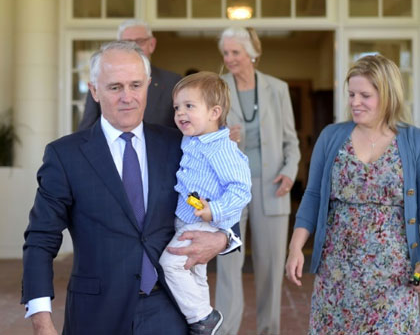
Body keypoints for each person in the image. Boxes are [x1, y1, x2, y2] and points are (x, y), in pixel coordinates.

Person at [21, 42, 239, 335]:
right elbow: (40, 237)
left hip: (168, 309)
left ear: (148, 85)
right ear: (94, 90)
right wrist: (41, 319)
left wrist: (224, 240)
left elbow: (223, 194)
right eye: (115, 87)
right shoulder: (65, 156)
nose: (128, 97)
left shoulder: (181, 146)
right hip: (96, 314)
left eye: (136, 85)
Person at [285, 54, 420, 334]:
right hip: (336, 272)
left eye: (365, 95)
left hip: (393, 274)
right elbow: (312, 197)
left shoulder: (418, 142)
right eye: (351, 94)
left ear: (389, 95)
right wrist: (296, 246)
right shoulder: (331, 137)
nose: (355, 102)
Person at [215, 26, 301, 335]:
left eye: (235, 52)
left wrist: (290, 172)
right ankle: (225, 330)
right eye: (225, 53)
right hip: (230, 189)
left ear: (252, 53)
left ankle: (269, 330)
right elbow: (204, 139)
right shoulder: (218, 88)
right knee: (227, 267)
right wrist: (226, 137)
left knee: (270, 270)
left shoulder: (277, 89)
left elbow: (291, 143)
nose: (229, 59)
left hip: (272, 188)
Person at [159, 72, 252, 335]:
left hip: (204, 222)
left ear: (214, 112)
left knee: (171, 264)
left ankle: (202, 317)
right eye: (177, 107)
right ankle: (202, 324)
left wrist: (215, 210)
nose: (180, 113)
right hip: (187, 216)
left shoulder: (221, 149)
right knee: (196, 271)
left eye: (189, 106)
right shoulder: (192, 139)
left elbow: (241, 189)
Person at [78, 19, 181, 131]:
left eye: (139, 41)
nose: (133, 48)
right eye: (126, 43)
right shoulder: (102, 81)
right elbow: (87, 128)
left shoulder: (174, 82)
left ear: (152, 44)